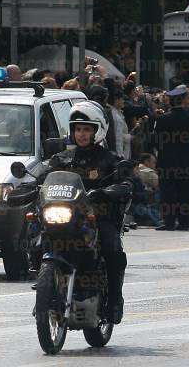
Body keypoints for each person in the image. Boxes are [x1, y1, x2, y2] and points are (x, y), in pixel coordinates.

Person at [45, 100, 131, 324]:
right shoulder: (62, 158)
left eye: (86, 129)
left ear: (97, 131)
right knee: (37, 228)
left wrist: (109, 190)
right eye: (77, 129)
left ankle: (114, 299)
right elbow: (40, 175)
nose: (81, 134)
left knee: (111, 247)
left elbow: (125, 183)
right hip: (65, 214)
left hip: (97, 216)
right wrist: (24, 184)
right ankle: (47, 279)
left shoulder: (109, 159)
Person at [153, 84, 189, 231]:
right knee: (185, 192)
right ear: (183, 100)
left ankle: (169, 222)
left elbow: (155, 141)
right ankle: (184, 222)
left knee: (168, 193)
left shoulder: (162, 119)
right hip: (186, 160)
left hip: (167, 160)